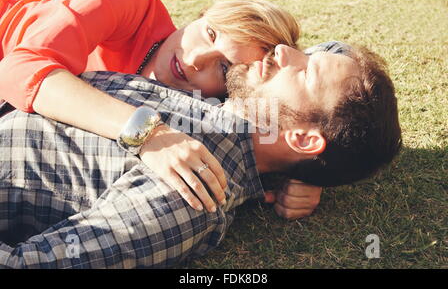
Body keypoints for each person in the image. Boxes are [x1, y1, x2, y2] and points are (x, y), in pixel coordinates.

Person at [0, 41, 402, 268]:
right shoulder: (223, 103)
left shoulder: (189, 198)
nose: (284, 50)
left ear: (302, 139)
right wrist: (307, 176)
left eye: (305, 69)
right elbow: (338, 48)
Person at [0, 0, 319, 216]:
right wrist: (146, 133)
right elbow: (19, 69)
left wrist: (304, 173)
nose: (195, 59)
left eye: (223, 68)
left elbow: (305, 107)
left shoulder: (207, 107)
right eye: (209, 33)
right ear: (202, 13)